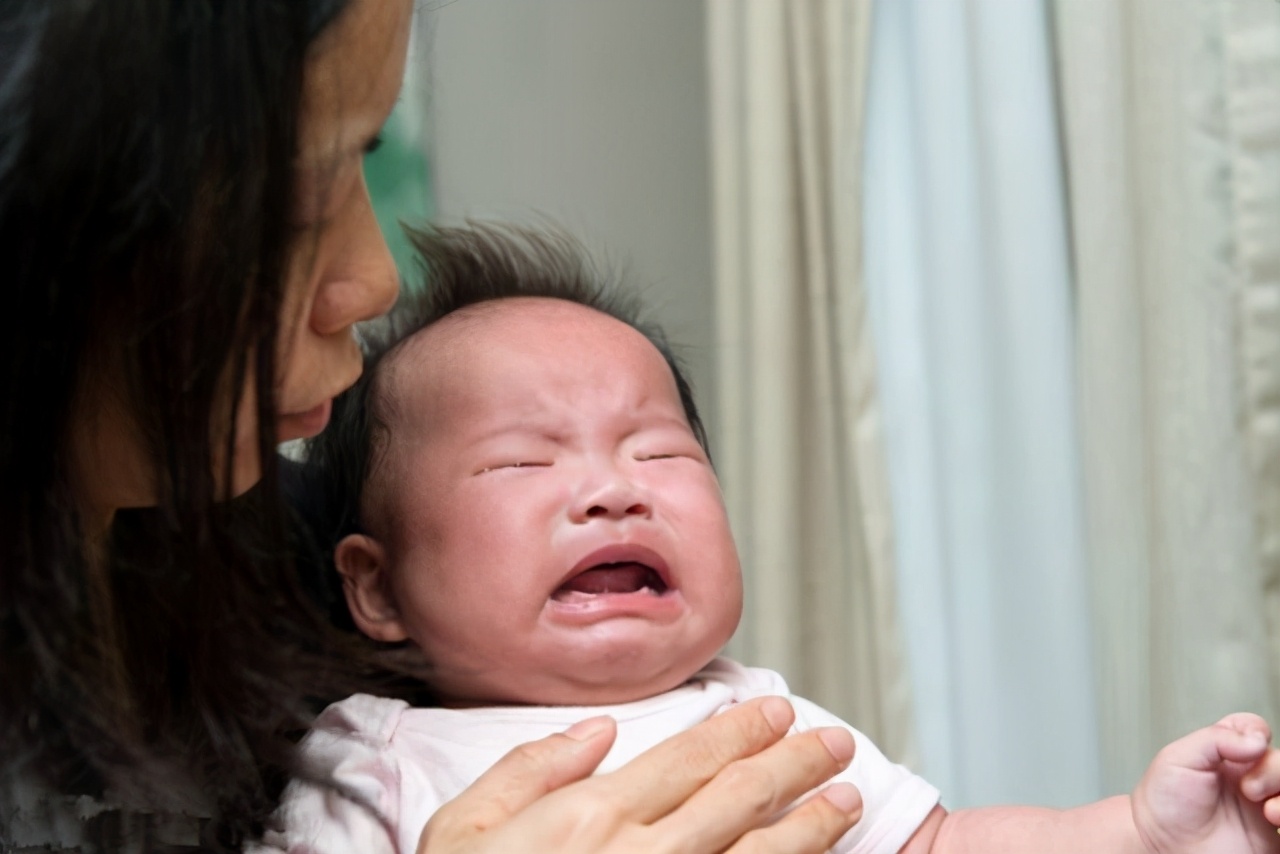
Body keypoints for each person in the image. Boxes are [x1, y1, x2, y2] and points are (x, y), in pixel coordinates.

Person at [0, 2, 863, 852]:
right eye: (298, 202)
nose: (374, 279)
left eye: (660, 451)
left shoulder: (301, 561)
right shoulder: (377, 738)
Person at [280, 222, 1280, 854]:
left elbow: (940, 843)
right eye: (521, 462)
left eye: (659, 450)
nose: (611, 491)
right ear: (378, 588)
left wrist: (1141, 830)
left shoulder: (758, 715)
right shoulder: (379, 760)